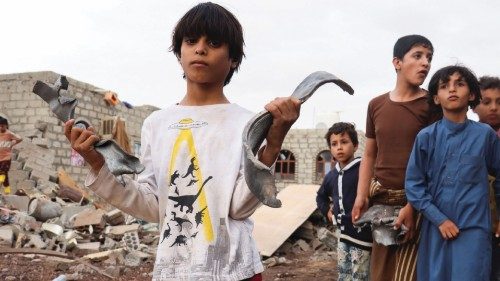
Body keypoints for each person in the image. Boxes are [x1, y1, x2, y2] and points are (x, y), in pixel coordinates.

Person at [64, 3, 301, 280]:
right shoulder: (157, 123)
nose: (200, 49)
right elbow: (153, 205)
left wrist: (272, 146)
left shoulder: (246, 123)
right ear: (179, 53)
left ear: (234, 58)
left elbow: (239, 207)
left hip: (233, 270)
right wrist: (97, 164)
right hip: (175, 270)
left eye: (213, 42)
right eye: (191, 41)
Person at [351, 34, 435, 281]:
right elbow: (369, 153)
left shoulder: (431, 105)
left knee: (410, 273)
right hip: (381, 202)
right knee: (381, 272)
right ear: (397, 62)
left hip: (417, 201)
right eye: (417, 56)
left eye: (429, 58)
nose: (425, 63)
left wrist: (412, 206)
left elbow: (433, 161)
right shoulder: (376, 104)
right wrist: (361, 195)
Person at [405, 65, 500, 280]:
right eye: (444, 86)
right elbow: (414, 185)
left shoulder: (485, 135)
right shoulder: (426, 137)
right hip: (436, 229)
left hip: (474, 230)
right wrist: (439, 220)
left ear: (473, 94)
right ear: (437, 98)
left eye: (460, 84)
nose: (452, 89)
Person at [316, 122, 372, 281]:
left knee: (360, 275)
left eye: (344, 142)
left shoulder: (363, 168)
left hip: (362, 236)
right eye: (334, 144)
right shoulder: (331, 176)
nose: (339, 147)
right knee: (344, 275)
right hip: (342, 235)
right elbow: (320, 196)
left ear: (355, 146)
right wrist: (326, 210)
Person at [474, 75, 500, 281]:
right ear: (474, 105)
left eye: (499, 102)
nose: (494, 107)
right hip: (477, 225)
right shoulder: (470, 138)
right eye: (486, 102)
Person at [0, 116, 22, 195]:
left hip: (6, 157)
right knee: (5, 175)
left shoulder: (9, 134)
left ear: (6, 126)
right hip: (0, 157)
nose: (1, 127)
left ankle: (0, 181)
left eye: (2, 126)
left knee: (2, 172)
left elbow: (19, 138)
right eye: (0, 126)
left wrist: (13, 143)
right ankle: (7, 190)